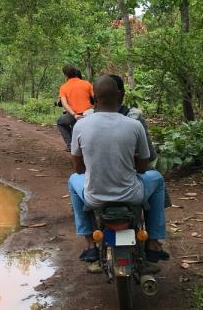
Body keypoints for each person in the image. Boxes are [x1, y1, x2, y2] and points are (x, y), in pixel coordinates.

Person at [67, 75, 169, 267]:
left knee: (73, 180)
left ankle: (89, 243)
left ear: (94, 99)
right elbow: (143, 167)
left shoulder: (80, 125)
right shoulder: (134, 124)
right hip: (132, 195)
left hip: (95, 197)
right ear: (120, 96)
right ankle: (153, 243)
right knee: (157, 178)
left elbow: (79, 168)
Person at [56, 65, 93, 150]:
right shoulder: (87, 84)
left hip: (75, 115)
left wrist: (74, 114)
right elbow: (95, 98)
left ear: (65, 75)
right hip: (88, 114)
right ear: (76, 73)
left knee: (60, 122)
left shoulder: (64, 87)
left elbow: (64, 104)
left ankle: (70, 145)